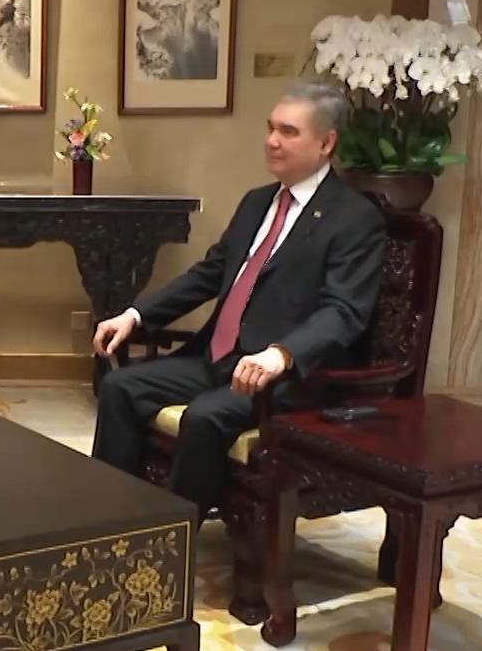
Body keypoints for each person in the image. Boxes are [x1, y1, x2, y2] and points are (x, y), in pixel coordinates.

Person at [89, 80, 387, 509]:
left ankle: (175, 537)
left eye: (288, 132)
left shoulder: (354, 218)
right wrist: (135, 315)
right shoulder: (257, 202)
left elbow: (343, 312)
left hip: (283, 377)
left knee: (204, 417)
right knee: (120, 386)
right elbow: (209, 274)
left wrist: (281, 354)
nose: (271, 141)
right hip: (217, 358)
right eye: (270, 128)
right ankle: (109, 515)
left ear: (326, 143)